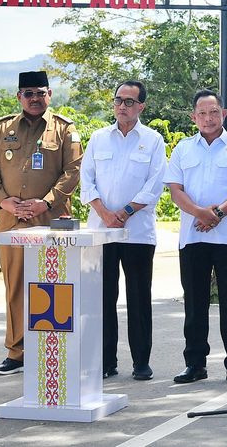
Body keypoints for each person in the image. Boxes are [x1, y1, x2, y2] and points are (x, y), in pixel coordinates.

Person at [0, 71, 83, 376]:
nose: (35, 99)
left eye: (40, 92)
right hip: (12, 218)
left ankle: (54, 348)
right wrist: (3, 200)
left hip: (52, 219)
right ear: (19, 97)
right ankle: (17, 351)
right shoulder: (2, 129)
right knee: (15, 285)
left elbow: (73, 170)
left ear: (49, 94)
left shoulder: (64, 129)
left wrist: (46, 201)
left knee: (53, 284)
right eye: (28, 93)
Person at [165, 89, 227, 386]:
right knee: (195, 304)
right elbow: (175, 189)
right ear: (193, 117)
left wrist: (217, 213)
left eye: (214, 112)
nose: (208, 118)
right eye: (202, 113)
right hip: (193, 238)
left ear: (223, 113)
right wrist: (199, 213)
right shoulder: (183, 149)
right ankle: (195, 364)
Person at [81, 80, 167, 381]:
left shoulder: (154, 140)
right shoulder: (98, 138)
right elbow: (86, 180)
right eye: (119, 100)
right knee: (103, 297)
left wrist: (126, 211)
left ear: (141, 106)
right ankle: (106, 360)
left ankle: (141, 361)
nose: (122, 106)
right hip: (102, 231)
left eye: (129, 101)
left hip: (137, 233)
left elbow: (155, 185)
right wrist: (105, 213)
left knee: (138, 298)